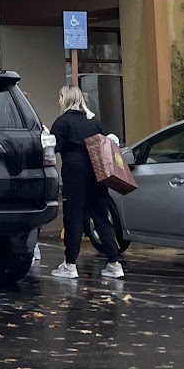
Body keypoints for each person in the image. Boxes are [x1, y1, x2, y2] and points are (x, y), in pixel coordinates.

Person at [48, 85, 123, 281]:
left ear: (66, 99)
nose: (58, 100)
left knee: (73, 217)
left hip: (74, 173)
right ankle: (114, 263)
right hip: (97, 171)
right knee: (101, 215)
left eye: (60, 96)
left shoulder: (63, 122)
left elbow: (52, 147)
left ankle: (70, 265)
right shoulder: (94, 121)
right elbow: (111, 140)